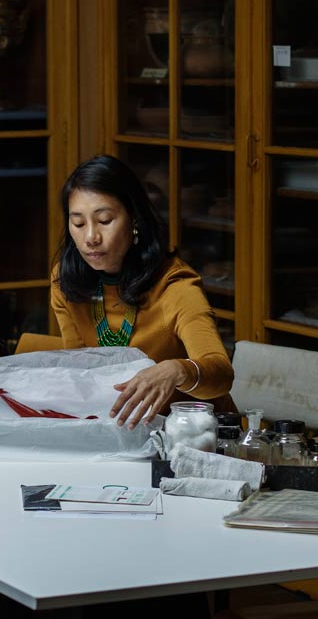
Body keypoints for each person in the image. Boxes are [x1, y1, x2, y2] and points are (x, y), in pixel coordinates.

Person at [51, 154, 234, 430]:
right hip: (122, 430)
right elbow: (81, 371)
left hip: (196, 434)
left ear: (133, 218)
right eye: (78, 223)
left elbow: (221, 373)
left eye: (104, 220)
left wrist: (177, 370)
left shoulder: (174, 285)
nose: (90, 237)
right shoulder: (67, 281)